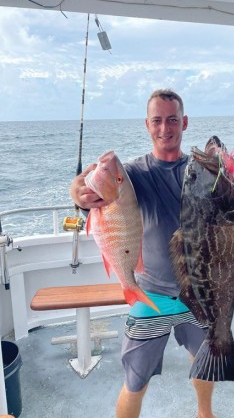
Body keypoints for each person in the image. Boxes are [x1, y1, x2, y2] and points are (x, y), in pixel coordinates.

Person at [70, 89, 216, 418]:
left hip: (197, 292)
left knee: (204, 362)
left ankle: (205, 413)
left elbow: (227, 209)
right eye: (158, 120)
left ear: (185, 122)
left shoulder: (200, 172)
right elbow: (85, 188)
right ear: (147, 125)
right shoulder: (133, 174)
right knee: (136, 380)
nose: (166, 128)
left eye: (173, 120)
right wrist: (78, 193)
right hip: (150, 292)